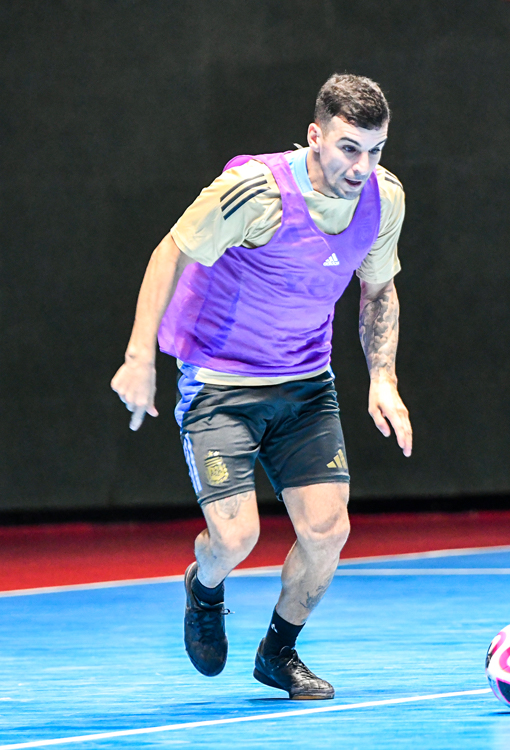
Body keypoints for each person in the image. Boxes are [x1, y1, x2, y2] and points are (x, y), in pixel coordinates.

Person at [111, 74, 412, 699]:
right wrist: (140, 357)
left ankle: (278, 654)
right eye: (349, 148)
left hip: (305, 384)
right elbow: (170, 252)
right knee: (235, 537)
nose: (362, 166)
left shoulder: (384, 198)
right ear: (315, 136)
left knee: (328, 532)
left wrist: (382, 378)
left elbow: (378, 289)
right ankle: (204, 587)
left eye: (375, 149)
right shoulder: (255, 190)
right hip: (221, 382)